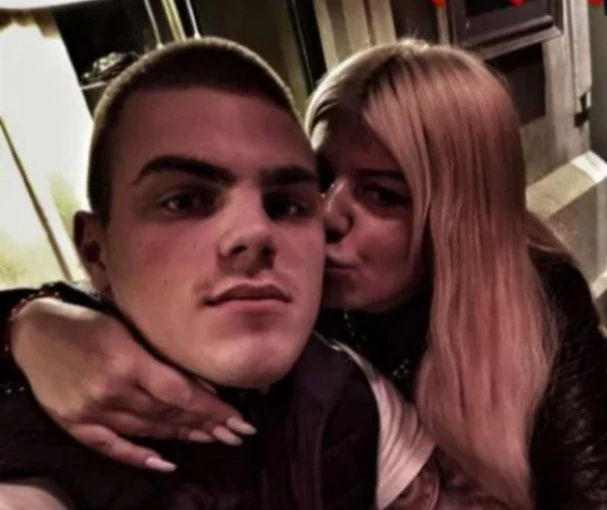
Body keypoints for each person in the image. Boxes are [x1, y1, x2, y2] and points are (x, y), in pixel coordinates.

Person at [1, 39, 607, 508]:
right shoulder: (280, 292)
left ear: (453, 220)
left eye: (381, 194)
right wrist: (27, 324)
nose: (327, 216)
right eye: (315, 184)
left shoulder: (534, 299)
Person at [0, 38, 443, 510]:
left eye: (285, 204)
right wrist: (22, 324)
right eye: (184, 201)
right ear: (95, 250)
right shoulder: (43, 426)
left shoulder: (356, 392)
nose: (255, 232)